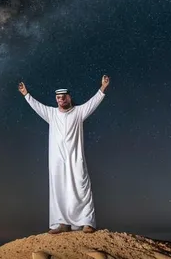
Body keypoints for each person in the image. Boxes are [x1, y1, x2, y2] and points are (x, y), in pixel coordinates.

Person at [18, 75, 110, 234]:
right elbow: (37, 106)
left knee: (81, 187)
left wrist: (102, 88)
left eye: (63, 97)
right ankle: (62, 223)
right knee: (59, 189)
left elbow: (92, 103)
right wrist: (26, 94)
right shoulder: (51, 113)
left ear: (69, 97)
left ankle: (87, 222)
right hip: (57, 160)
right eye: (58, 98)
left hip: (75, 158)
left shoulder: (79, 112)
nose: (61, 100)